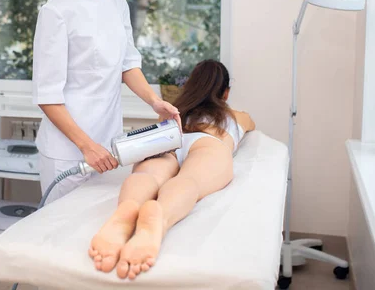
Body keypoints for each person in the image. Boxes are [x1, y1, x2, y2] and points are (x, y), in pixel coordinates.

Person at [32, 0, 180, 204]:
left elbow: (127, 64)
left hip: (110, 147)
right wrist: (87, 146)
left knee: (99, 233)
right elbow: (47, 96)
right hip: (69, 152)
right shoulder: (55, 12)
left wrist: (154, 101)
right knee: (63, 237)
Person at [88, 59, 256, 280]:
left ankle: (128, 208)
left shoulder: (175, 110)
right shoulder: (236, 116)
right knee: (190, 180)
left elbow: (163, 123)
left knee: (147, 175)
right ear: (225, 92)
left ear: (191, 85)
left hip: (169, 137)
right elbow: (251, 125)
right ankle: (160, 217)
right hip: (209, 142)